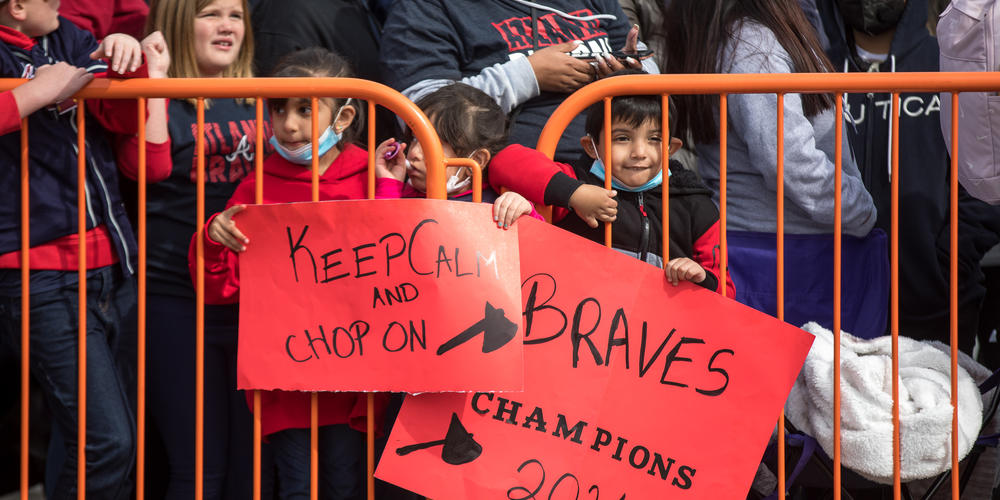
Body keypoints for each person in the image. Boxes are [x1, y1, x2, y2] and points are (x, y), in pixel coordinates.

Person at [193, 47, 387, 500]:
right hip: (286, 377)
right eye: (279, 109)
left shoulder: (372, 179)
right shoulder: (254, 187)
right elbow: (222, 287)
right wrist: (213, 237)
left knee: (346, 481)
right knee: (296, 485)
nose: (290, 124)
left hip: (351, 371)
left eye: (305, 109)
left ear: (342, 119)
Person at [662, 0, 887, 338]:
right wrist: (860, 210)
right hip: (788, 258)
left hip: (775, 250)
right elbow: (789, 161)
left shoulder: (741, 37)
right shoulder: (753, 43)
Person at [115, 0, 266, 497]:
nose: (227, 26)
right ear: (180, 22)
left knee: (251, 467)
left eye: (236, 16)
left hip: (255, 303)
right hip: (175, 299)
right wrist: (156, 79)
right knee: (199, 467)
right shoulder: (161, 90)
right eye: (211, 14)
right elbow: (149, 168)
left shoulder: (263, 93)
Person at [0, 0, 148, 497]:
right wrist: (38, 92)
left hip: (113, 264)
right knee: (108, 444)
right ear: (17, 7)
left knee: (112, 444)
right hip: (39, 275)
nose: (62, 1)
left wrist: (130, 59)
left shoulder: (71, 36)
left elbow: (126, 119)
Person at [816, 0, 1000, 352]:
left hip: (936, 311)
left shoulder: (951, 59)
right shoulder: (811, 63)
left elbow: (985, 169)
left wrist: (949, 260)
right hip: (831, 309)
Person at [487, 72, 736, 293]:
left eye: (654, 139)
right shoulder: (578, 181)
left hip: (664, 338)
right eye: (622, 138)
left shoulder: (696, 204)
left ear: (672, 148)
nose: (639, 152)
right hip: (582, 332)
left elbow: (725, 288)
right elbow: (505, 161)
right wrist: (575, 193)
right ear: (591, 147)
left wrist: (700, 278)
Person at [378, 0, 658, 163]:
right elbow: (421, 115)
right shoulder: (424, 8)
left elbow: (651, 68)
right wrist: (528, 75)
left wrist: (629, 76)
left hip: (626, 173)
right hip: (513, 192)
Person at [371, 83, 539, 229]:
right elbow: (380, 241)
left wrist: (524, 212)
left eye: (434, 143)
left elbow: (539, 247)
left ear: (476, 160)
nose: (414, 153)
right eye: (415, 138)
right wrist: (389, 183)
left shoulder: (495, 206)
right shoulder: (403, 196)